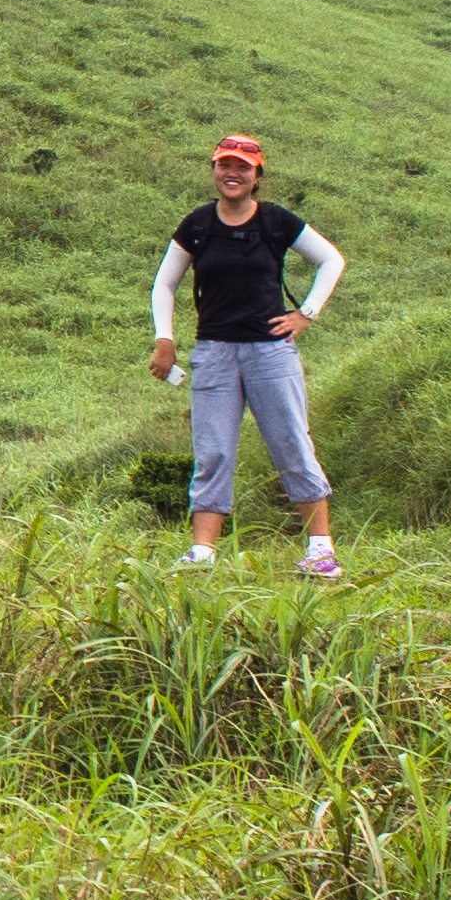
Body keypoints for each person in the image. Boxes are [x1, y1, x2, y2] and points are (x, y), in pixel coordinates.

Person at [147, 133, 346, 576]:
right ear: (214, 170)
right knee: (213, 450)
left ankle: (321, 551)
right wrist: (166, 339)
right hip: (214, 352)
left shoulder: (275, 221)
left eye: (242, 167)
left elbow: (330, 260)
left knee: (291, 442)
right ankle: (202, 554)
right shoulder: (197, 226)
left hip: (271, 352)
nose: (232, 174)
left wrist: (306, 314)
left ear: (257, 175)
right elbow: (165, 283)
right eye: (224, 165)